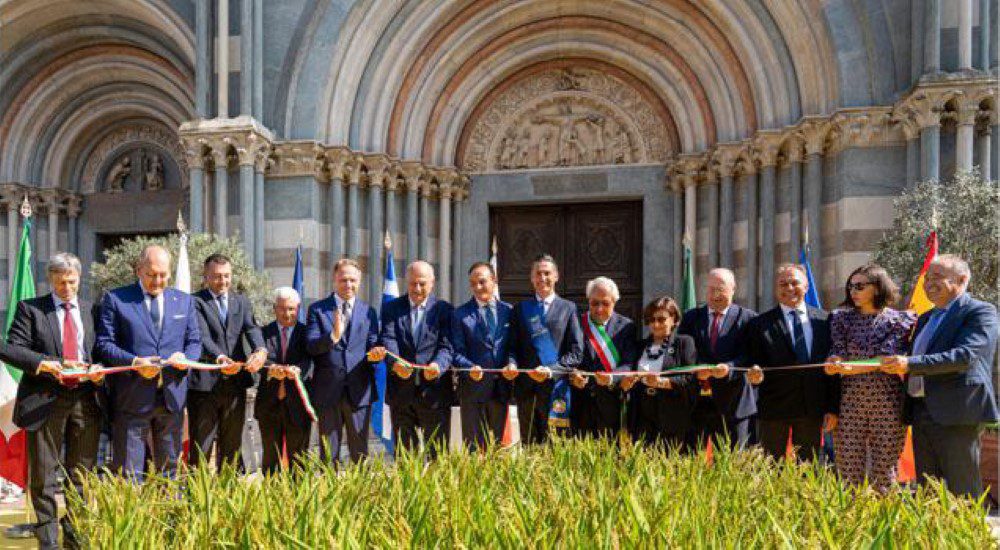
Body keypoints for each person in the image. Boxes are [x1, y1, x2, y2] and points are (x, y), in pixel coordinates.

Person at [1, 253, 103, 549]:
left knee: (81, 474)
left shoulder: (92, 310)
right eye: (60, 283)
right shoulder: (31, 309)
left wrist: (99, 369)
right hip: (45, 400)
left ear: (79, 279)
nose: (66, 288)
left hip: (86, 399)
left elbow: (102, 349)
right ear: (50, 280)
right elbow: (10, 348)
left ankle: (75, 536)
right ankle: (48, 541)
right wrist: (43, 363)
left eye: (71, 282)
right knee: (44, 476)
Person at [881, 254, 999, 498]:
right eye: (927, 278)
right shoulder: (926, 317)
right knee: (928, 490)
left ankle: (967, 526)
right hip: (921, 410)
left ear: (962, 279)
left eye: (937, 277)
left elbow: (965, 356)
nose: (928, 284)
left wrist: (909, 363)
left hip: (957, 412)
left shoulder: (980, 312)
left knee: (963, 490)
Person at [95, 245, 201, 478]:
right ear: (139, 270)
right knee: (129, 472)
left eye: (163, 275)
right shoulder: (116, 299)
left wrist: (186, 358)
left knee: (169, 472)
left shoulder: (184, 301)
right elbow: (104, 344)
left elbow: (194, 342)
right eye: (151, 274)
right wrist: (135, 362)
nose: (157, 281)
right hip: (132, 397)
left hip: (171, 397)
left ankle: (169, 504)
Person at [823, 265, 915, 491]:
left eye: (860, 286)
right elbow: (838, 350)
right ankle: (850, 514)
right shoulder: (840, 318)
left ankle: (884, 514)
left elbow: (885, 360)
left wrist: (848, 368)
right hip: (849, 403)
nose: (853, 291)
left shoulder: (899, 320)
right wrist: (833, 362)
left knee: (884, 473)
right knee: (848, 471)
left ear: (878, 288)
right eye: (851, 286)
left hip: (887, 403)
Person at [744, 263, 838, 462]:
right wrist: (754, 373)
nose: (789, 288)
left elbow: (831, 370)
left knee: (808, 468)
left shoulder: (825, 320)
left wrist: (832, 408)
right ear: (776, 289)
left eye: (795, 283)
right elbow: (752, 362)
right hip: (773, 409)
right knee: (770, 468)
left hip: (812, 408)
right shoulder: (759, 324)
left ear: (806, 286)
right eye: (783, 284)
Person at [189, 254, 267, 469]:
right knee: (202, 446)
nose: (222, 281)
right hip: (204, 386)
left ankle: (228, 488)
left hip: (235, 385)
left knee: (232, 446)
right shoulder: (194, 302)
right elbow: (201, 337)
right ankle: (198, 489)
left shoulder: (241, 301)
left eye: (226, 276)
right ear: (205, 276)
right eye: (216, 276)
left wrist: (260, 350)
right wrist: (220, 358)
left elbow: (252, 328)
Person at [369, 261, 454, 455]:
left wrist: (438, 365)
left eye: (422, 283)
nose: (417, 288)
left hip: (434, 393)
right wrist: (396, 363)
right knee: (405, 456)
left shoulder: (444, 310)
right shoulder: (392, 308)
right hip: (401, 393)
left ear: (432, 283)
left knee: (437, 456)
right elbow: (388, 338)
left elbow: (447, 346)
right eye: (412, 283)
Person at [305, 258, 379, 464]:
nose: (348, 284)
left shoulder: (369, 312)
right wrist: (332, 337)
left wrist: (376, 354)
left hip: (359, 391)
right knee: (328, 456)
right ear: (334, 279)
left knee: (360, 455)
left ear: (359, 282)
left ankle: (360, 487)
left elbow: (373, 344)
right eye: (344, 279)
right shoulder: (317, 310)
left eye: (353, 280)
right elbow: (311, 346)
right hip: (328, 392)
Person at [504, 254, 583, 444]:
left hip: (556, 389)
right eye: (538, 274)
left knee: (557, 447)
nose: (542, 278)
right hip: (526, 391)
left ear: (556, 276)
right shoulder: (520, 309)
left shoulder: (568, 308)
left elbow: (576, 352)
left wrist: (550, 370)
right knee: (529, 446)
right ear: (532, 278)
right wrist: (511, 363)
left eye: (547, 273)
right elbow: (512, 347)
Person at [678, 268, 756, 449]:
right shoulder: (691, 317)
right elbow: (684, 351)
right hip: (697, 403)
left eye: (720, 289)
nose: (715, 295)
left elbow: (750, 354)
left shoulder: (748, 318)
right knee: (693, 460)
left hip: (734, 403)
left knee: (733, 461)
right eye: (711, 289)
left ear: (733, 289)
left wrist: (729, 368)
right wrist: (697, 368)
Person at [450, 262, 514, 450]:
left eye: (482, 282)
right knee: (474, 449)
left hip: (502, 390)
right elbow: (455, 351)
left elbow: (514, 347)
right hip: (473, 391)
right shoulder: (460, 314)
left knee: (500, 450)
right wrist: (469, 367)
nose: (477, 287)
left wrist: (511, 363)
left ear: (494, 280)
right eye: (473, 284)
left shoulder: (509, 311)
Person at [622, 296, 697, 449]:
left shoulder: (684, 343)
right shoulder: (640, 346)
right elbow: (629, 374)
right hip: (642, 417)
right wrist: (627, 383)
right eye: (651, 320)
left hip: (672, 417)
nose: (655, 324)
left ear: (674, 319)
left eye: (661, 319)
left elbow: (690, 379)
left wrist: (662, 382)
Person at [569, 277, 638, 438]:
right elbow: (568, 355)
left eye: (605, 303)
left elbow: (628, 363)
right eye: (595, 303)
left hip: (612, 401)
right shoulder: (577, 323)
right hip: (581, 402)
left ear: (614, 302)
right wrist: (573, 374)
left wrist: (612, 378)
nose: (599, 309)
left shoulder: (627, 326)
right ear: (588, 301)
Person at [256, 287, 313, 474]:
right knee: (270, 460)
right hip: (268, 405)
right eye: (281, 308)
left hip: (298, 406)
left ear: (298, 308)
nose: (287, 313)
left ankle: (299, 493)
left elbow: (311, 359)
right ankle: (271, 493)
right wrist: (271, 369)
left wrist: (299, 370)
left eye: (291, 309)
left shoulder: (307, 333)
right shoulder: (262, 333)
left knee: (299, 461)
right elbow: (257, 360)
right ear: (274, 308)